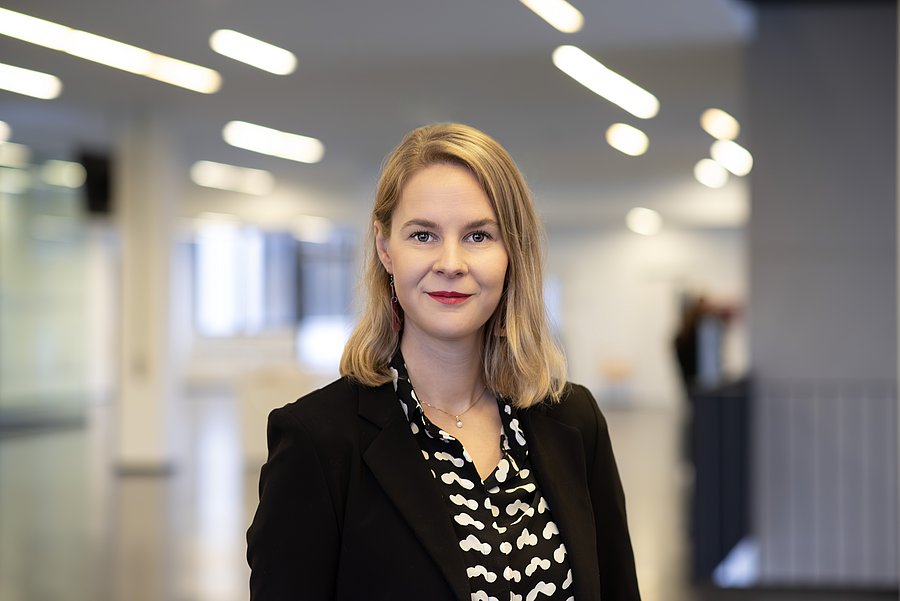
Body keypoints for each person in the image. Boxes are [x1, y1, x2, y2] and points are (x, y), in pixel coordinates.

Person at [246, 123, 641, 600]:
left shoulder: (574, 420)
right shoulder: (318, 441)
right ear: (385, 248)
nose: (451, 263)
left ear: (512, 252)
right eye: (423, 235)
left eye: (478, 236)